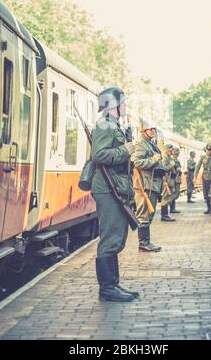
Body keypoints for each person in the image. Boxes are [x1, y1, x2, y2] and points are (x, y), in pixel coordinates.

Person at [91, 86, 138, 302]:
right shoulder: (104, 124)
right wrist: (126, 150)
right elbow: (99, 155)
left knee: (116, 236)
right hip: (107, 187)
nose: (125, 105)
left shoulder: (113, 124)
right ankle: (107, 289)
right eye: (123, 101)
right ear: (113, 104)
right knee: (110, 237)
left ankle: (114, 285)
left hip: (115, 186)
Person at [131, 120, 166, 252]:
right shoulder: (141, 143)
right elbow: (136, 161)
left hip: (151, 184)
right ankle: (144, 243)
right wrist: (154, 160)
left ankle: (146, 242)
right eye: (150, 129)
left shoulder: (150, 144)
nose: (153, 131)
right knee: (143, 215)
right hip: (144, 185)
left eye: (154, 129)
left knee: (148, 216)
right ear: (143, 131)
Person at [194, 144, 211, 214]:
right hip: (205, 176)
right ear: (205, 150)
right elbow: (198, 167)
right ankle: (208, 208)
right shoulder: (202, 158)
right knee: (205, 194)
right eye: (207, 150)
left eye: (210, 150)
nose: (208, 151)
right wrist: (195, 176)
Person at [160, 144, 176, 222]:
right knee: (165, 198)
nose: (172, 152)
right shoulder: (165, 158)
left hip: (170, 180)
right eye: (171, 150)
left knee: (168, 198)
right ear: (167, 150)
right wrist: (171, 165)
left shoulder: (169, 157)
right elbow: (163, 168)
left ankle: (165, 214)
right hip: (167, 180)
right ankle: (164, 215)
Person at [169, 147, 182, 214]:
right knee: (174, 194)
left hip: (176, 178)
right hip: (173, 178)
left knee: (176, 194)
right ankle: (171, 208)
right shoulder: (172, 160)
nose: (177, 154)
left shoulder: (176, 160)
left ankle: (172, 208)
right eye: (177, 153)